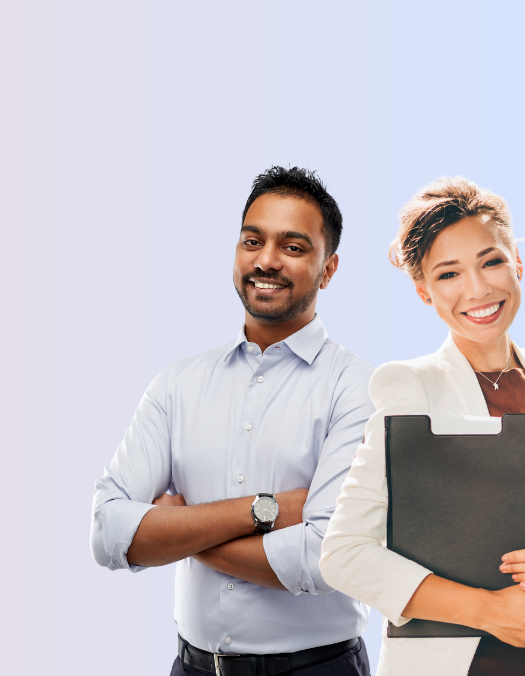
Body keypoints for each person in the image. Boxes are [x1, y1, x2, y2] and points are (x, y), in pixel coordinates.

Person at [90, 166, 375, 676]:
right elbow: (109, 533)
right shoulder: (177, 385)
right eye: (253, 240)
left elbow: (322, 558)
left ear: (328, 269)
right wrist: (266, 510)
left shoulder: (356, 389)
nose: (266, 261)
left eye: (292, 247)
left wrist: (178, 530)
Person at [320, 177, 525, 676]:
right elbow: (344, 554)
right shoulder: (411, 387)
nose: (478, 289)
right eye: (449, 274)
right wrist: (490, 611)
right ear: (424, 292)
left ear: (517, 261)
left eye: (491, 261)